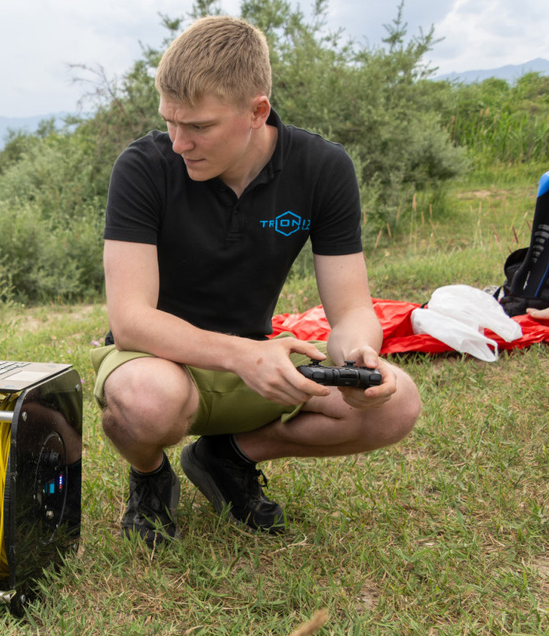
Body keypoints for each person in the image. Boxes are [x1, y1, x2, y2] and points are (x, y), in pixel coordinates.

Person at [90, 15, 423, 547]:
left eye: (199, 126)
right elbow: (130, 321)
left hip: (258, 364)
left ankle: (229, 456)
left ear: (256, 111)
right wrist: (243, 355)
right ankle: (150, 477)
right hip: (157, 360)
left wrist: (360, 351)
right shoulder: (143, 167)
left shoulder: (323, 168)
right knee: (146, 398)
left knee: (397, 402)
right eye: (171, 122)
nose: (179, 142)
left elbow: (353, 309)